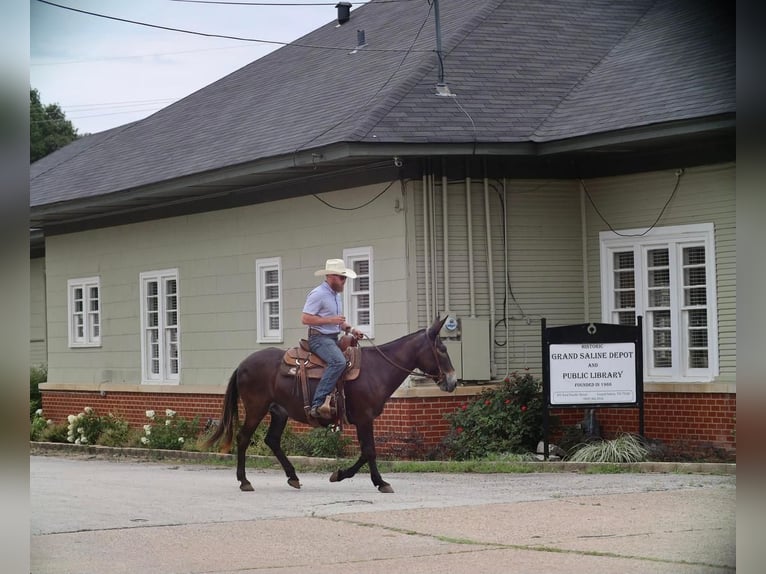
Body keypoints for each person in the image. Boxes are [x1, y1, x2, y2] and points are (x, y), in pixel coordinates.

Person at [302, 259, 364, 418]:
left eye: (345, 278)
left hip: (332, 337)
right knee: (338, 362)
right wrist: (331, 320)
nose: (344, 282)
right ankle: (317, 405)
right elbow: (305, 319)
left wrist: (351, 329)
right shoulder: (318, 294)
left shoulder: (336, 296)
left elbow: (338, 322)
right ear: (331, 276)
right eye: (342, 278)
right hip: (318, 339)